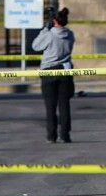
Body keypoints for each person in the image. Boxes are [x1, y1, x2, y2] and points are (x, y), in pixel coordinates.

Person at [32, 7, 75, 143]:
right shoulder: (70, 34)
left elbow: (36, 46)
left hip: (49, 71)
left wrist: (45, 28)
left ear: (54, 21)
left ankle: (51, 136)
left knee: (50, 107)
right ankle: (65, 135)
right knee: (64, 105)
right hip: (65, 71)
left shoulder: (49, 34)